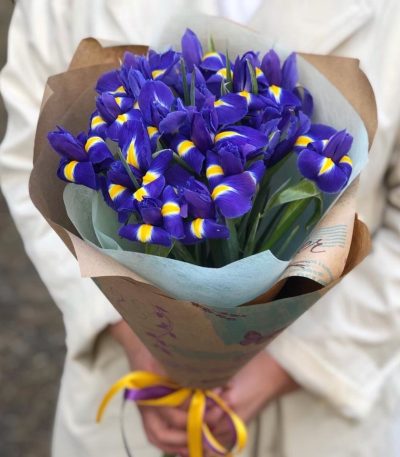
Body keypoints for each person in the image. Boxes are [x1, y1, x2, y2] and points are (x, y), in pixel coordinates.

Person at [1, 0, 400, 456]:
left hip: (320, 399)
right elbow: (30, 162)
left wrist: (292, 364)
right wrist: (130, 331)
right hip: (135, 379)